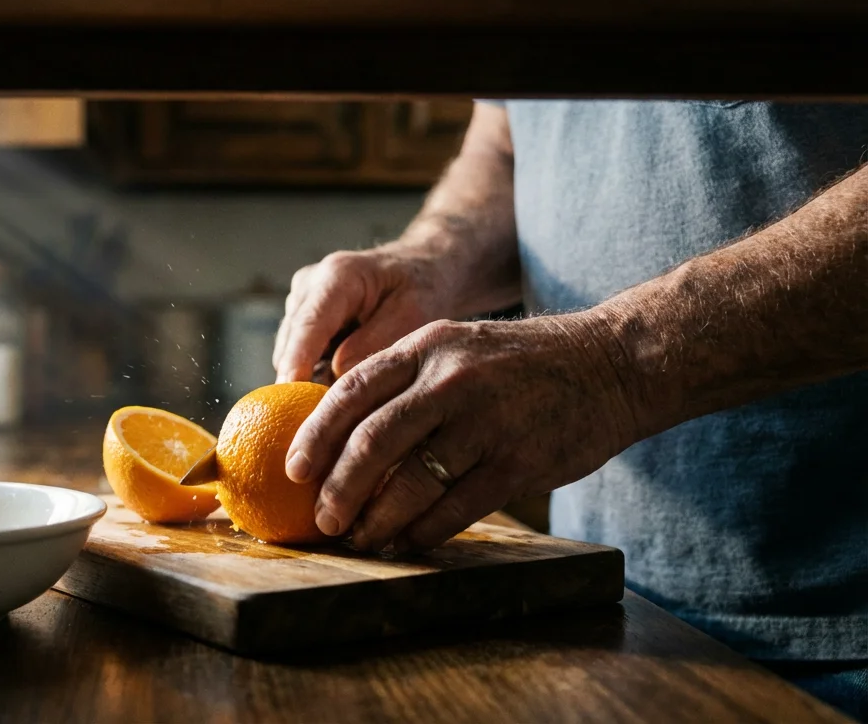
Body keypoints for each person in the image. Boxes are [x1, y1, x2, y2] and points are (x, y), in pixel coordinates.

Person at [273, 100, 868, 716]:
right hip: (594, 605)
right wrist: (435, 257)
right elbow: (508, 140)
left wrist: (611, 366)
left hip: (846, 636)